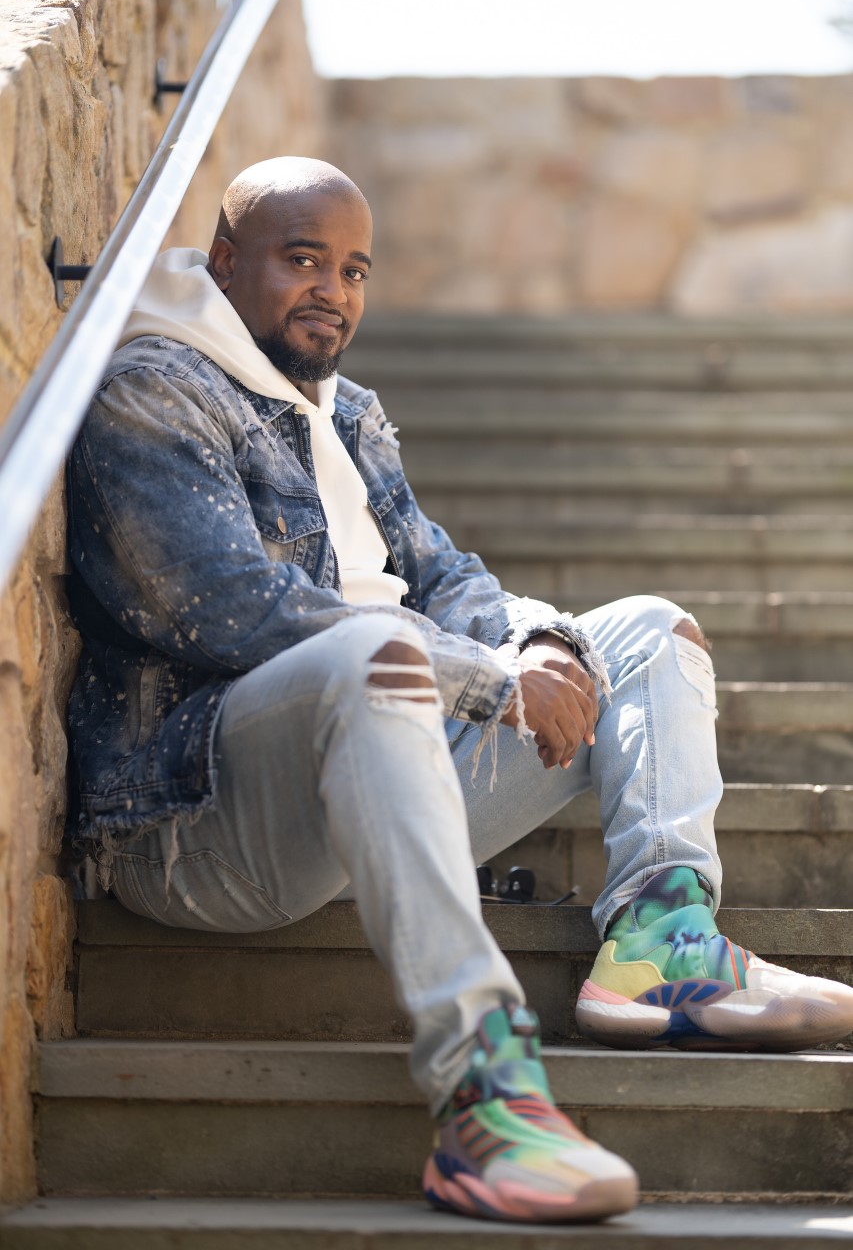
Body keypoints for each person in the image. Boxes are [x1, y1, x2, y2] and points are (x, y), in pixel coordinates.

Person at [66, 157, 853, 1225]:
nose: (332, 291)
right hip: (196, 824)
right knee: (372, 655)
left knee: (644, 631)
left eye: (354, 270)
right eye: (303, 260)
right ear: (225, 260)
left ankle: (658, 941)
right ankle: (485, 1095)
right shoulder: (154, 390)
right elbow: (231, 608)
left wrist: (536, 643)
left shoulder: (345, 411)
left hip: (380, 773)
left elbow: (442, 574)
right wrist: (487, 679)